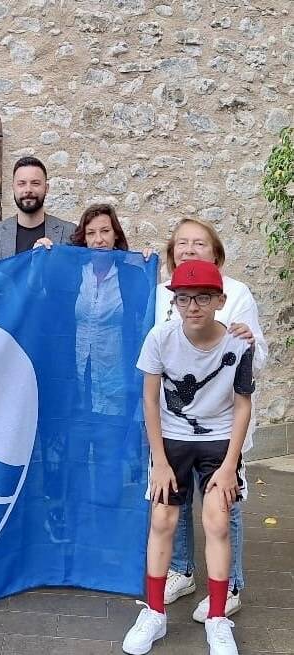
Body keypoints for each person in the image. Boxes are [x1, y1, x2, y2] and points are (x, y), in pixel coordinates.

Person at [123, 259, 253, 655]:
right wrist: (159, 461)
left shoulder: (237, 344)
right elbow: (148, 399)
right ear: (174, 302)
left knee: (217, 520)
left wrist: (230, 465)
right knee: (163, 518)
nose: (193, 306)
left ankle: (217, 617)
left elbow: (242, 404)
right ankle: (155, 612)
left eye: (202, 297)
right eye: (183, 298)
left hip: (218, 442)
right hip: (173, 441)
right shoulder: (160, 339)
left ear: (220, 300)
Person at [153, 218, 267, 623]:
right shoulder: (159, 295)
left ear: (215, 252)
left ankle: (230, 584)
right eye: (180, 243)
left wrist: (249, 341)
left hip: (220, 425)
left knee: (223, 503)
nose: (188, 249)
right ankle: (181, 570)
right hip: (176, 424)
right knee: (175, 505)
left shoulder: (235, 294)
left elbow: (253, 362)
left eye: (198, 243)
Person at [43, 204, 150, 542]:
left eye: (104, 231)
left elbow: (150, 311)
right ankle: (75, 532)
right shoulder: (73, 272)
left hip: (115, 383)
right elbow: (45, 290)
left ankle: (107, 534)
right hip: (76, 385)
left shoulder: (132, 276)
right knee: (74, 460)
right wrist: (41, 254)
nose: (98, 239)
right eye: (91, 233)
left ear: (115, 235)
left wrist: (150, 263)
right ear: (83, 238)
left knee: (108, 462)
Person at [0, 156, 75, 261]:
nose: (28, 189)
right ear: (13, 188)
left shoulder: (69, 232)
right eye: (21, 184)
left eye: (35, 183)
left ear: (46, 188)